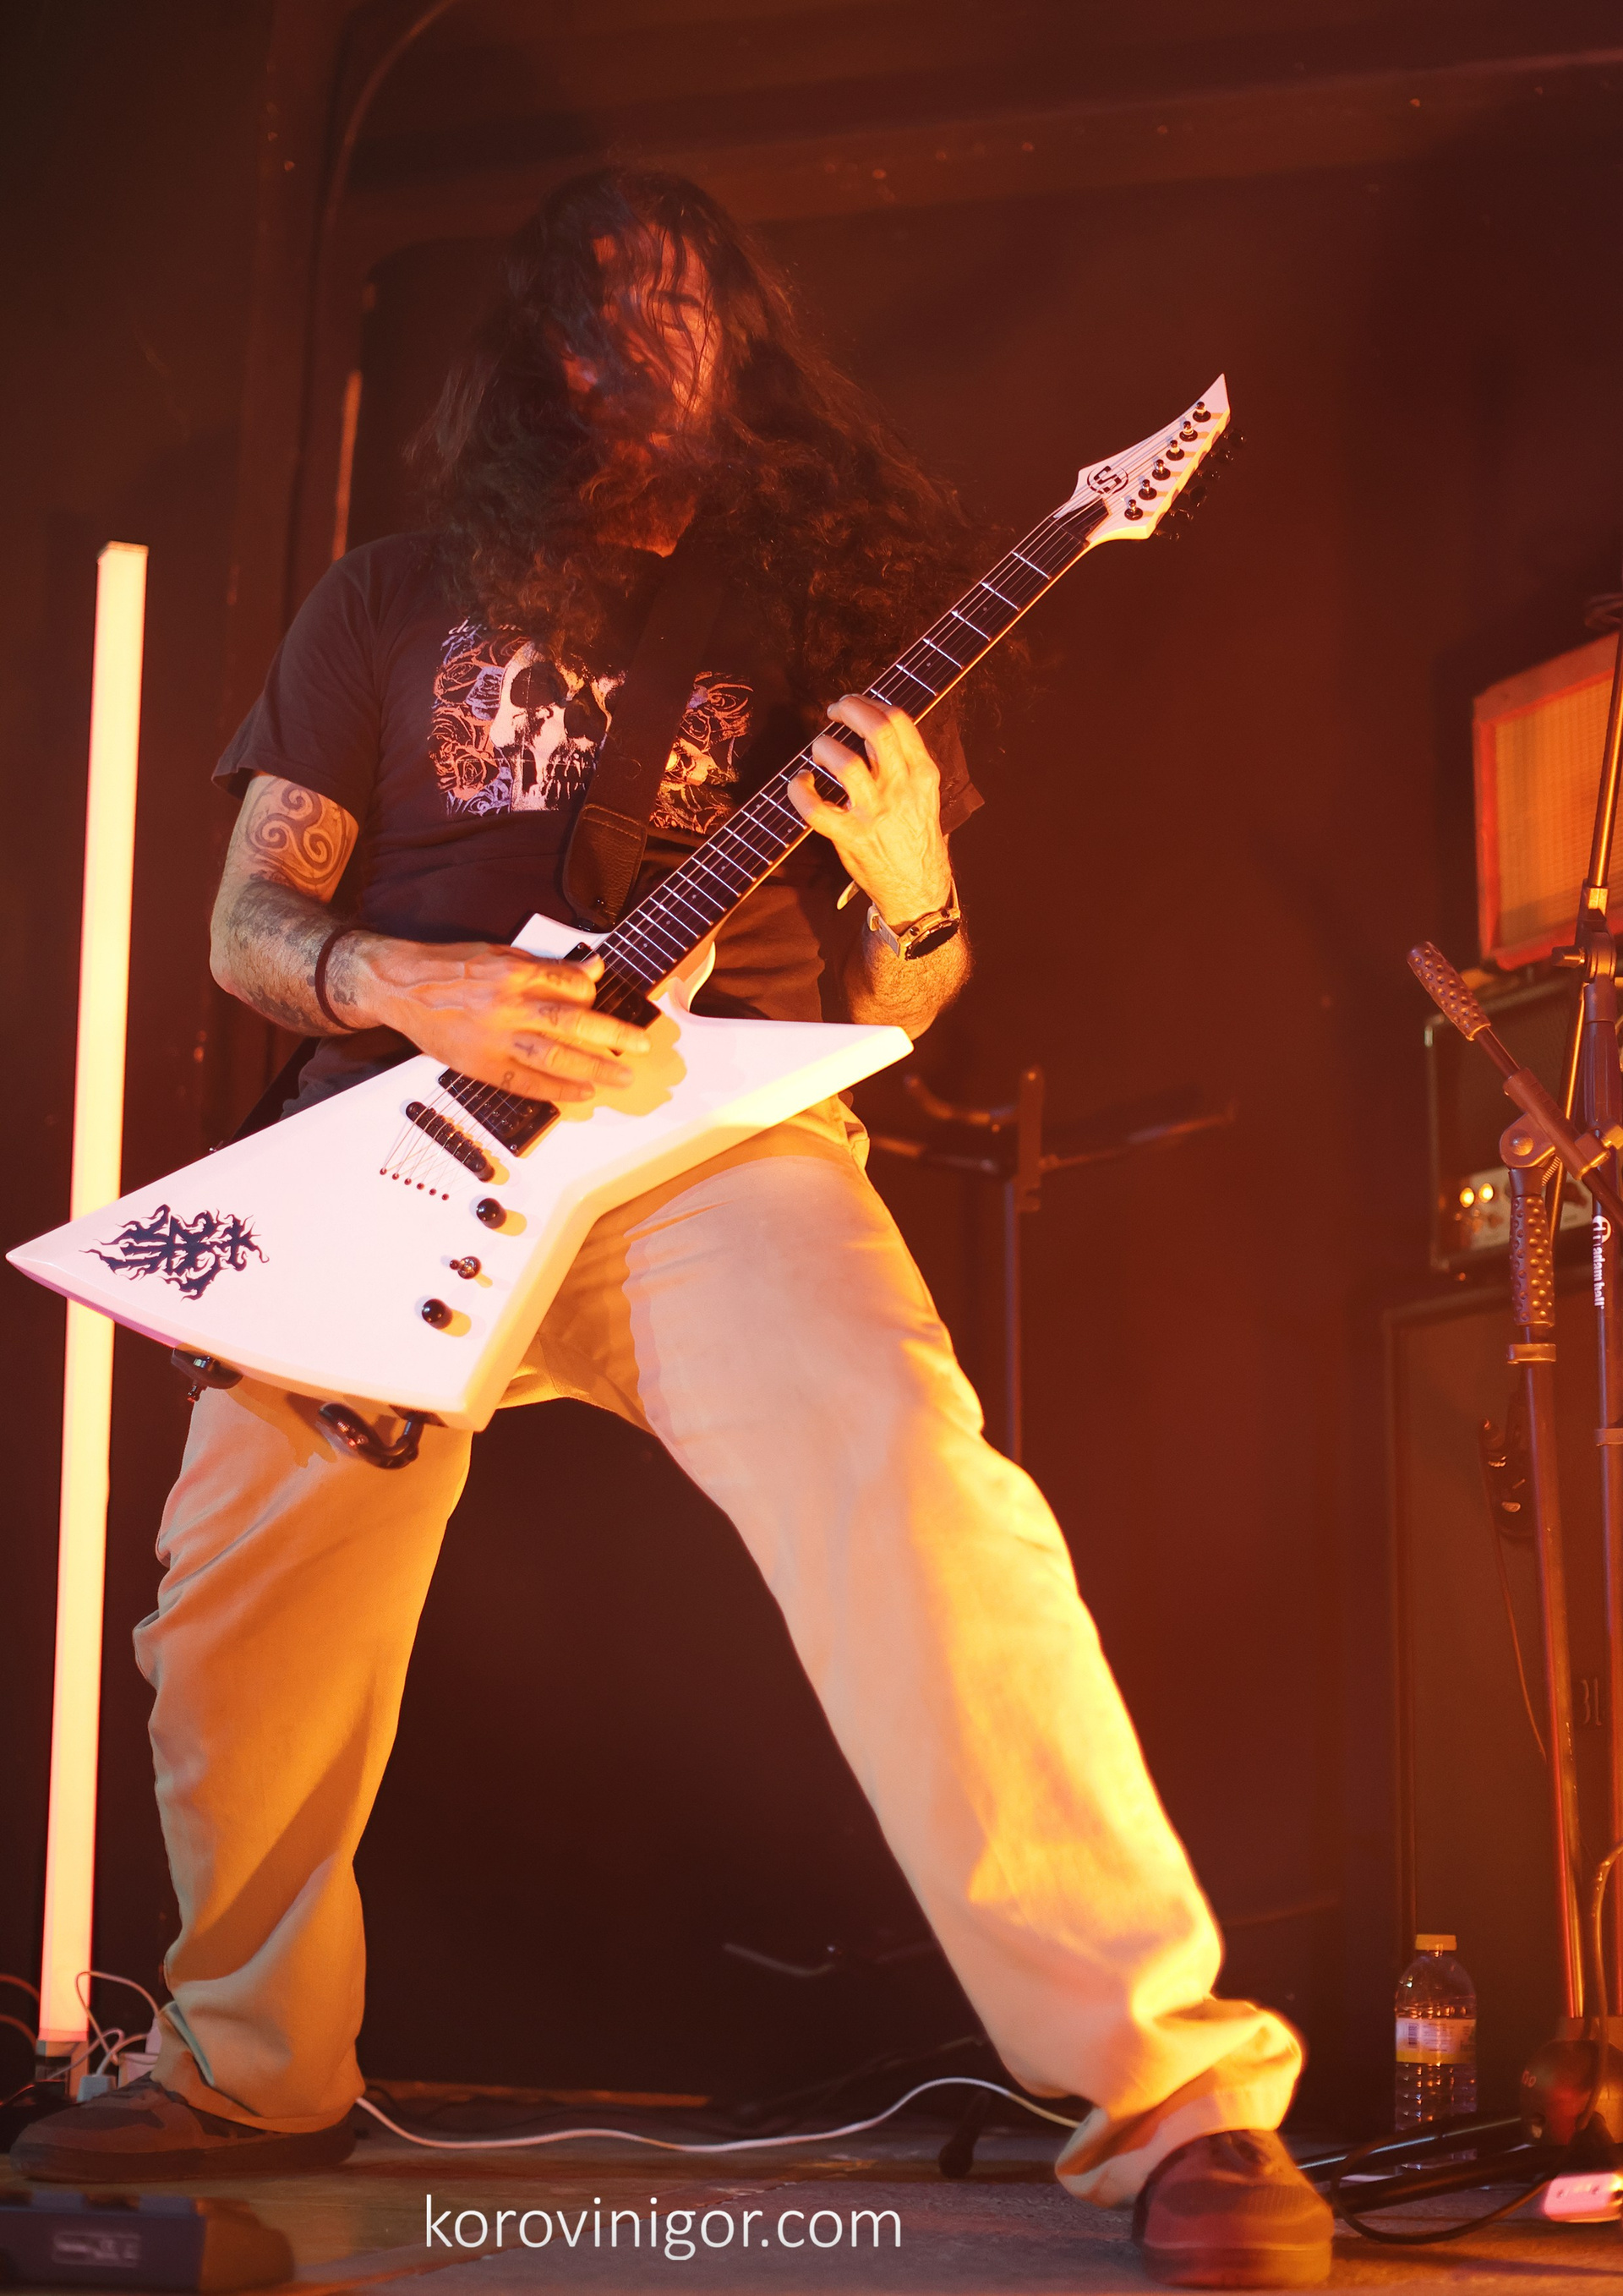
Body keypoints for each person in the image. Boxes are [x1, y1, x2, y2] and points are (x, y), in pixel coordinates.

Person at [14, 170, 1332, 2289]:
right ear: (533, 351)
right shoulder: (384, 601)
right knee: (234, 1601)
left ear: (745, 334)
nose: (639, 338)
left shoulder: (824, 612)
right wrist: (400, 982)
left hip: (712, 1149)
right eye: (596, 302)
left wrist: (911, 872)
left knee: (914, 1485)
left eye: (682, 298)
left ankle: (1174, 2092)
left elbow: (911, 994)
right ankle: (252, 2063)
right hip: (397, 1141)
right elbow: (250, 921)